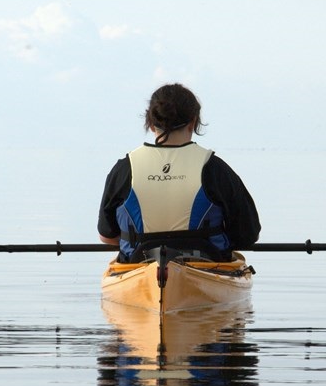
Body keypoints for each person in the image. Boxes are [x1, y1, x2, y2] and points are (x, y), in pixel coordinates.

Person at [98, 84, 261, 262]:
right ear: (193, 122)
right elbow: (247, 235)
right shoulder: (215, 168)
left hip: (138, 263)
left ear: (152, 124)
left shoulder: (124, 169)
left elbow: (107, 236)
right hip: (207, 264)